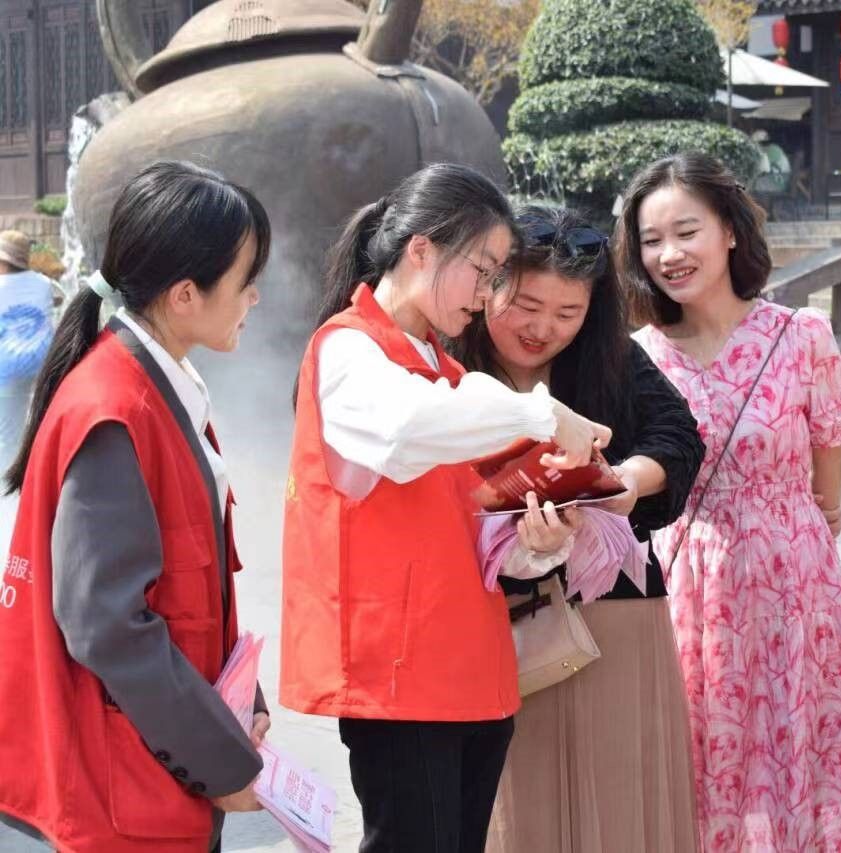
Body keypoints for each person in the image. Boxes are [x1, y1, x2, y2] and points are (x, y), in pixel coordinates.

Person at [278, 164, 612, 853]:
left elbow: (481, 528)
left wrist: (539, 539)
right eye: (483, 270)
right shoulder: (347, 347)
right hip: (401, 674)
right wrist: (541, 413)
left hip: (471, 667)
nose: (487, 295)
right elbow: (405, 431)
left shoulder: (452, 373)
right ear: (422, 249)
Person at [617, 152, 841, 853]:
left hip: (797, 593)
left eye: (687, 232)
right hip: (687, 592)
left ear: (730, 231)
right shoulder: (637, 356)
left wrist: (803, 526)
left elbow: (828, 462)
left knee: (804, 754)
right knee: (703, 760)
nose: (670, 255)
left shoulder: (801, 337)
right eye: (652, 240)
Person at [0, 161, 273, 851]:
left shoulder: (158, 383)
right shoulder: (115, 408)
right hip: (126, 793)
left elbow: (188, 592)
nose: (255, 297)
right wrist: (219, 760)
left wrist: (242, 701)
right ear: (185, 295)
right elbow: (109, 627)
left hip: (155, 767)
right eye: (246, 279)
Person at [451, 204, 705, 853]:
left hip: (614, 612)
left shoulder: (610, 356)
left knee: (617, 799)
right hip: (488, 619)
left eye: (569, 313)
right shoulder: (446, 361)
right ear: (487, 285)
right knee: (514, 802)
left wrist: (628, 481)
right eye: (526, 305)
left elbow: (678, 436)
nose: (544, 329)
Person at [0, 229, 59, 472]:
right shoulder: (44, 283)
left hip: (8, 371)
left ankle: (9, 483)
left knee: (8, 437)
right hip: (43, 364)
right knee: (36, 424)